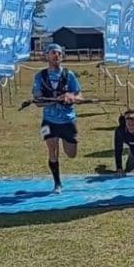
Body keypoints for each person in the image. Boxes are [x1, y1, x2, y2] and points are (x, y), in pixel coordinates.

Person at [31, 43, 83, 193]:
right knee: (52, 150)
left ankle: (68, 142)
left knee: (71, 154)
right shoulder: (40, 76)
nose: (56, 56)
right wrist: (52, 100)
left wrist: (71, 96)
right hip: (48, 122)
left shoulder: (69, 74)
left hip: (68, 120)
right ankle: (57, 183)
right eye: (53, 53)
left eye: (59, 53)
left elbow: (79, 95)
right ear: (47, 56)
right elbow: (37, 101)